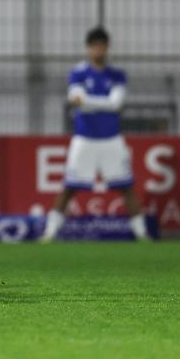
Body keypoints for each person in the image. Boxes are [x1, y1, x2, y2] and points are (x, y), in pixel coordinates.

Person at [41, 26, 148, 242]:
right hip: (84, 139)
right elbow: (76, 98)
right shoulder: (78, 72)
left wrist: (89, 103)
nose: (98, 50)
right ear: (88, 48)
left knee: (126, 187)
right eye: (94, 46)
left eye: (102, 46)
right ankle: (49, 234)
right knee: (70, 187)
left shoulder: (116, 74)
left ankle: (143, 235)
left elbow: (116, 104)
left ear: (107, 48)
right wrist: (104, 103)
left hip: (111, 139)